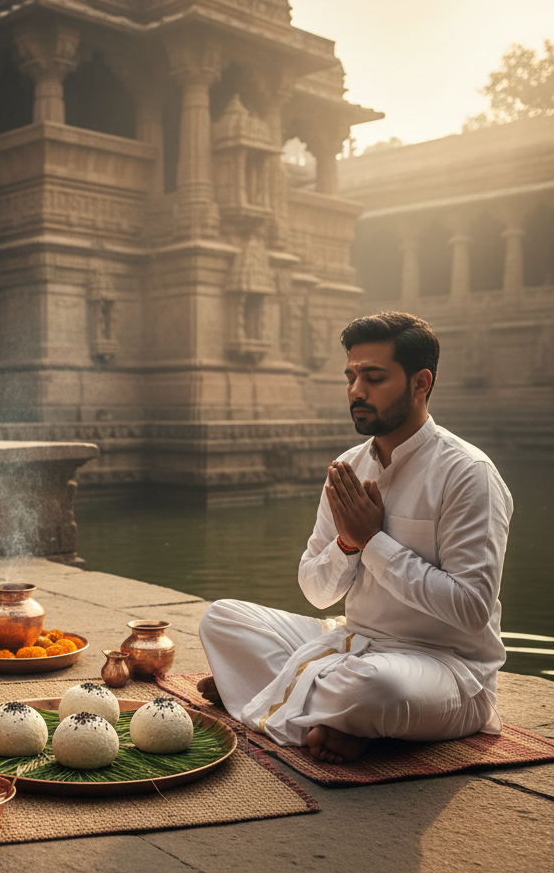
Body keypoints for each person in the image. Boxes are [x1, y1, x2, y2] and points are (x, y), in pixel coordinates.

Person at [197, 311, 513, 764]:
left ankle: (265, 693)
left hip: (443, 666)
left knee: (378, 689)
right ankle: (321, 714)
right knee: (223, 618)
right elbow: (316, 591)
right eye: (351, 376)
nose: (356, 391)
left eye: (374, 377)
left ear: (420, 383)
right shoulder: (349, 467)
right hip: (351, 641)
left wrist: (373, 542)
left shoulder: (467, 474)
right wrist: (346, 545)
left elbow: (471, 610)